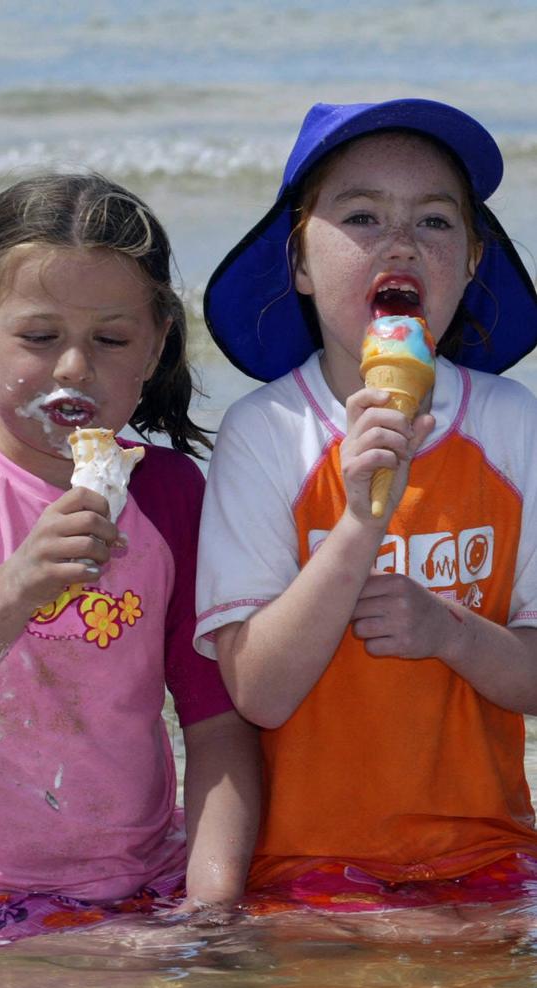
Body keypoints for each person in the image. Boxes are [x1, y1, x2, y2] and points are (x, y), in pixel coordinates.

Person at [0, 173, 260, 943]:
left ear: (155, 345)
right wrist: (17, 584)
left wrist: (211, 906)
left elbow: (217, 723)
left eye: (110, 340)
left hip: (143, 883)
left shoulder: (167, 492)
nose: (72, 369)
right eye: (39, 336)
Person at [195, 98, 537, 926]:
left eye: (433, 219)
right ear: (300, 263)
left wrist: (452, 634)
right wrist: (357, 524)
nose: (401, 242)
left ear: (471, 261)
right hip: (311, 872)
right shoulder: (265, 433)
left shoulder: (511, 422)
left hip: (489, 856)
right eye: (360, 215)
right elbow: (259, 694)